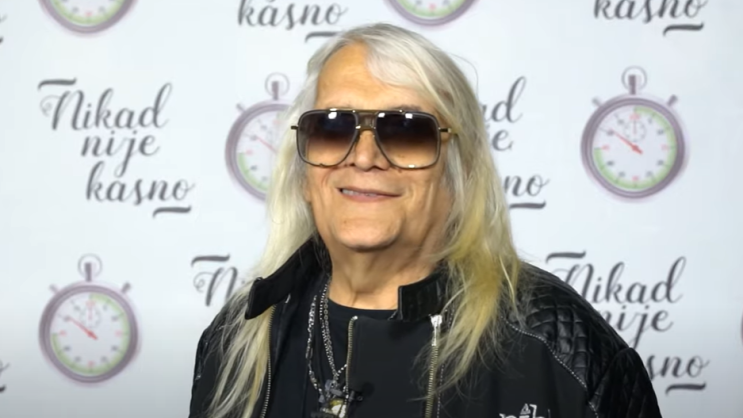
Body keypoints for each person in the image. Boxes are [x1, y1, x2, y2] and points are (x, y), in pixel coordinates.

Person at [188, 23, 662, 418]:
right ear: (303, 173)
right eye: (332, 127)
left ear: (461, 171)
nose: (364, 157)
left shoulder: (559, 344)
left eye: (406, 131)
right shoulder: (237, 339)